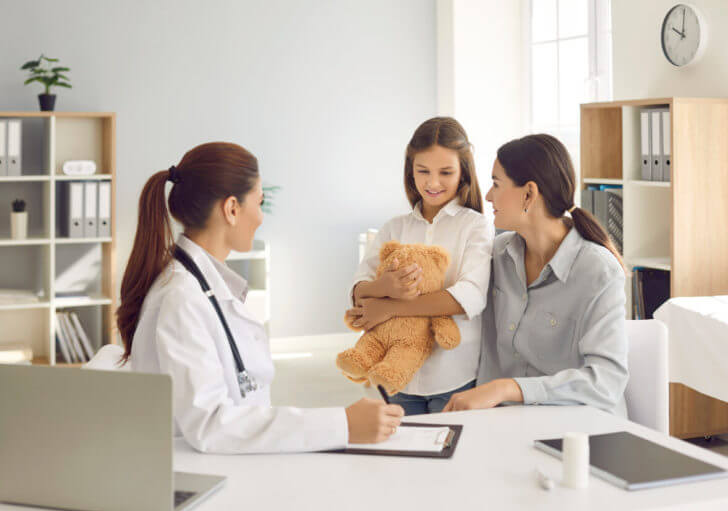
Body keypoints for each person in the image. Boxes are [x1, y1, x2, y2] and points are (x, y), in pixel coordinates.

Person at [117, 142, 404, 454]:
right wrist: (342, 425)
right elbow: (211, 425)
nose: (261, 217)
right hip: (199, 471)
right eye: (259, 202)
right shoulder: (182, 297)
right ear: (231, 209)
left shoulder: (199, 286)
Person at [443, 134, 629, 416]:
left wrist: (507, 389)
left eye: (495, 183)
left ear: (529, 193)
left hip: (577, 427)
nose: (488, 196)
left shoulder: (598, 272)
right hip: (502, 421)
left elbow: (606, 383)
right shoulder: (496, 255)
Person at [347, 117, 494, 414]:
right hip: (397, 377)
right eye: (423, 171)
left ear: (463, 172)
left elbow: (469, 296)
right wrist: (382, 288)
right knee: (404, 453)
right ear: (410, 170)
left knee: (453, 452)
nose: (433, 183)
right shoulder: (394, 228)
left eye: (446, 172)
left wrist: (391, 306)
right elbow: (358, 292)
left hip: (456, 374)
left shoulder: (475, 226)